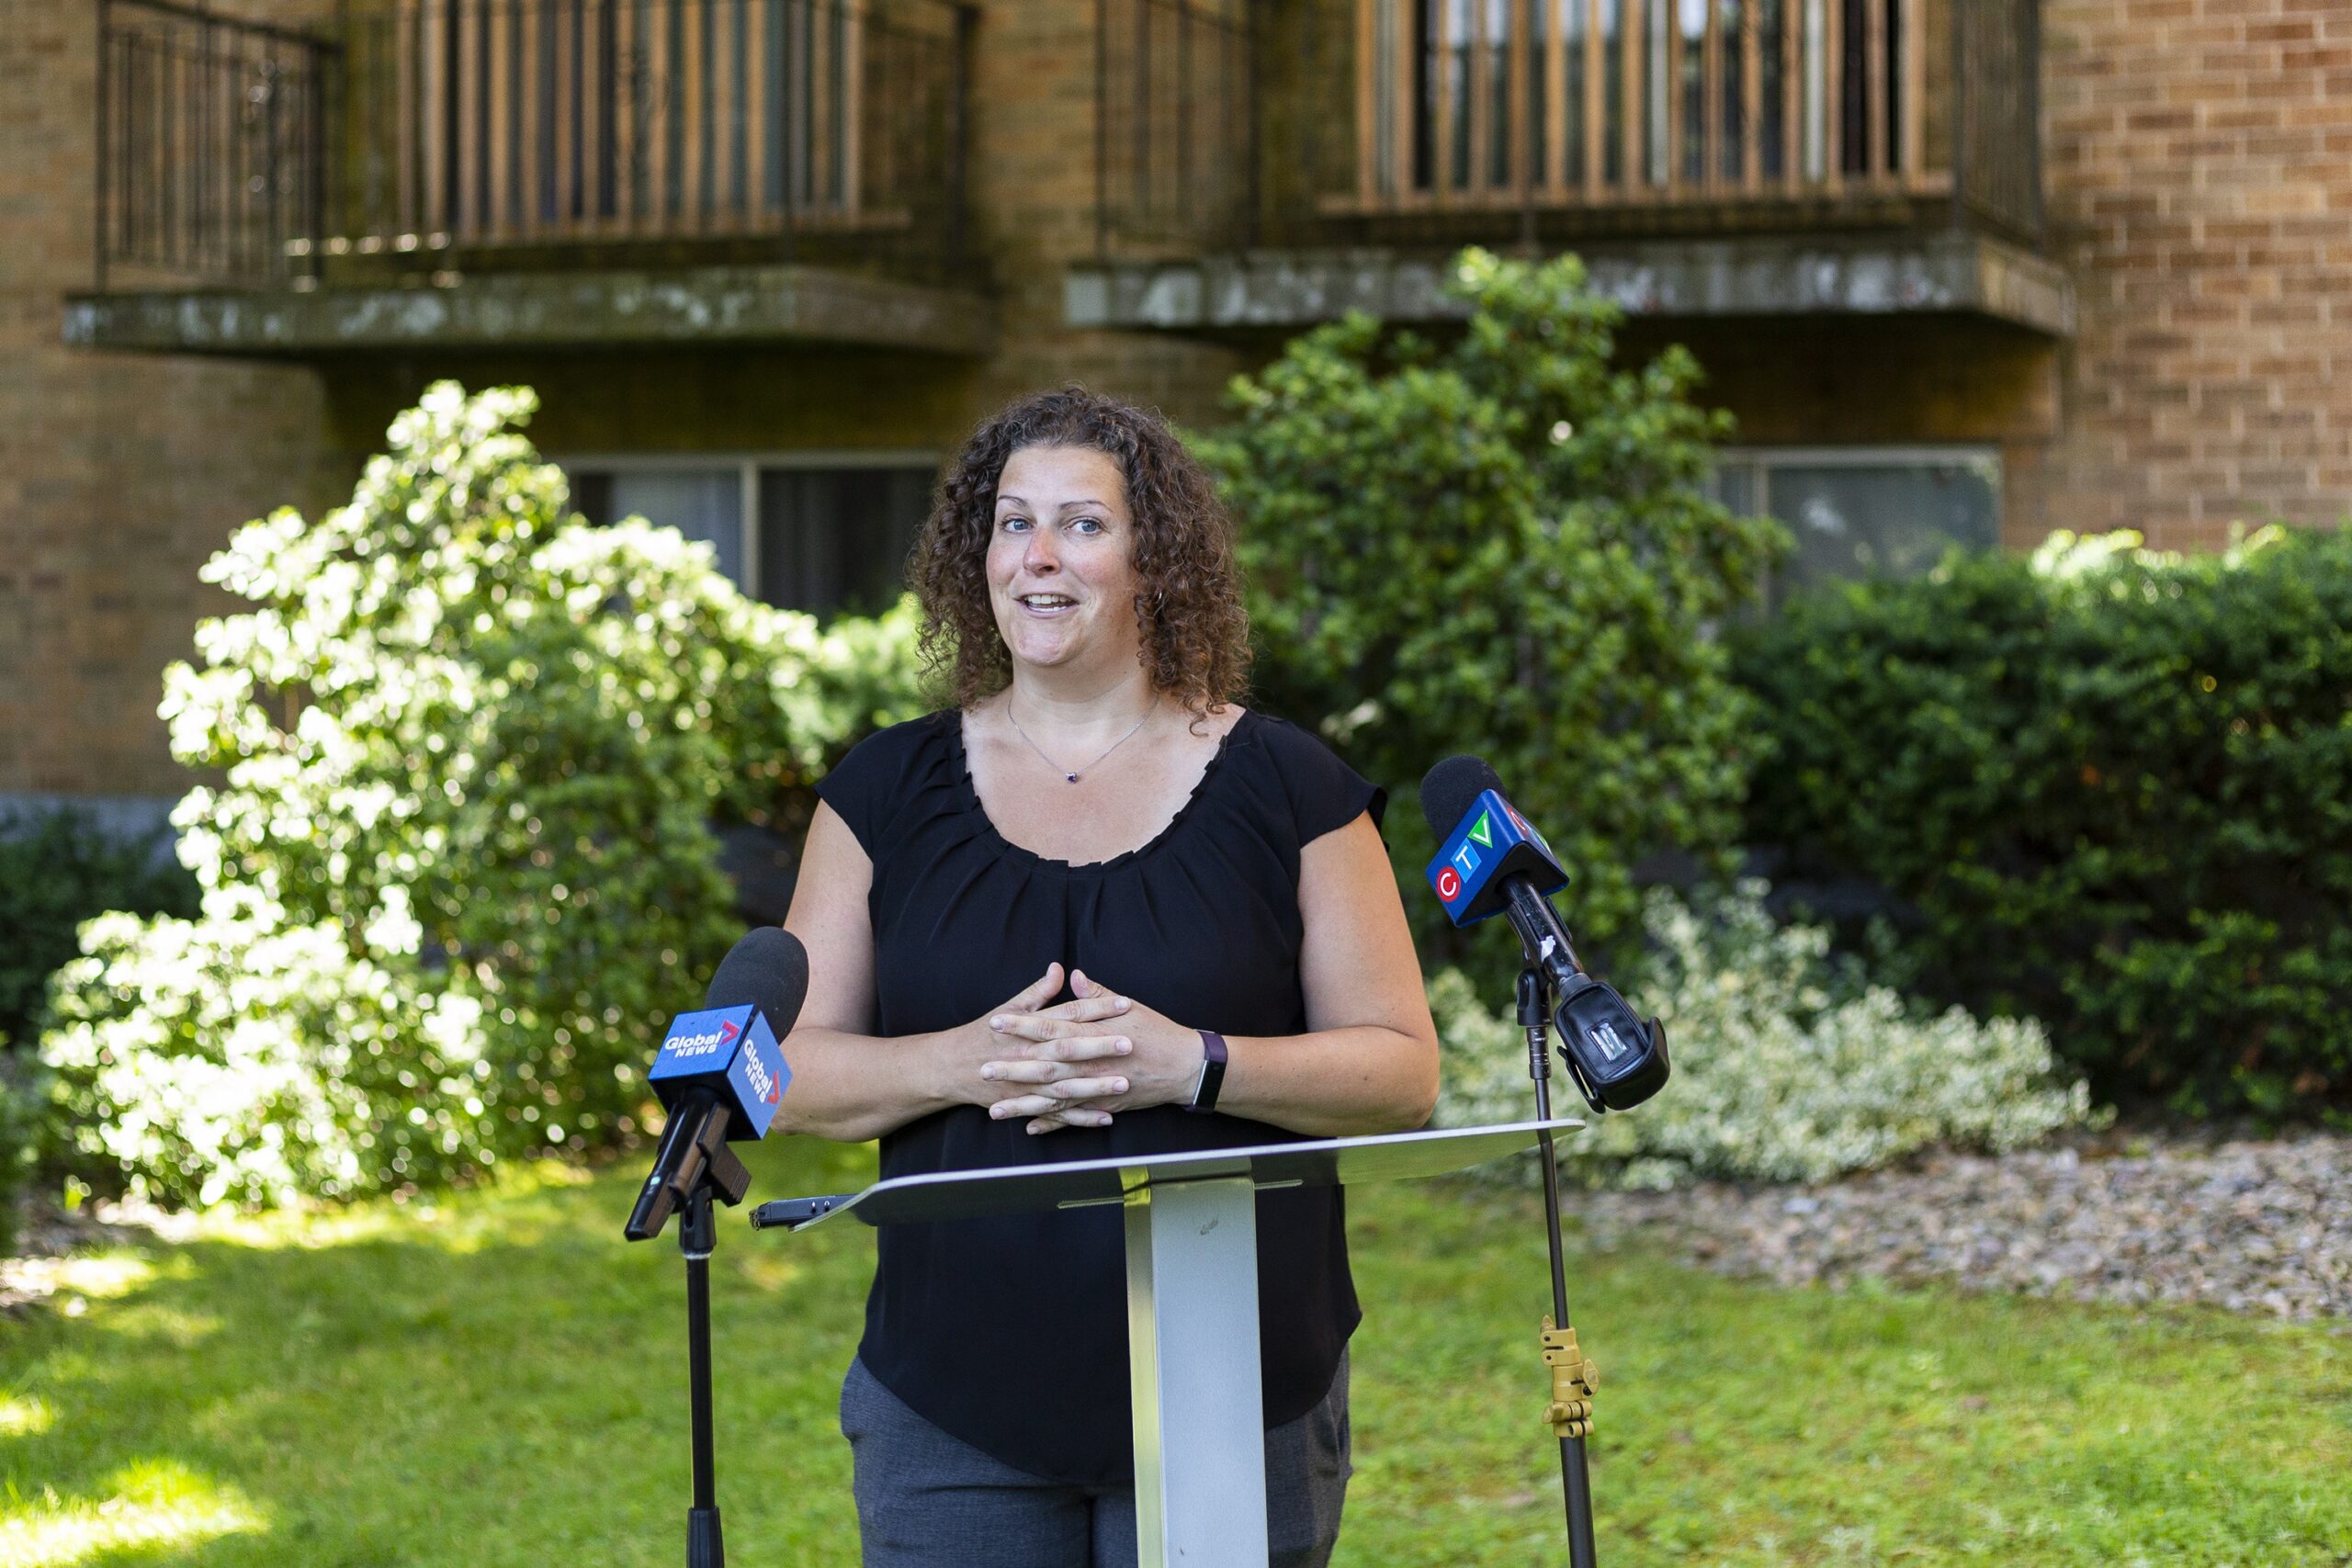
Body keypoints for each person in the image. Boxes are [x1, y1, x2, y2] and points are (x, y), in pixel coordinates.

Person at [777, 385, 1440, 1568]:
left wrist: (1191, 1066)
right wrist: (965, 1059)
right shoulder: (883, 791)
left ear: (1156, 562)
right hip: (952, 1396)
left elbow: (1401, 1072)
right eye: (1011, 522)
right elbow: (793, 1071)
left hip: (1232, 1380)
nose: (1039, 557)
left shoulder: (1289, 787)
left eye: (1083, 524)